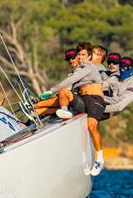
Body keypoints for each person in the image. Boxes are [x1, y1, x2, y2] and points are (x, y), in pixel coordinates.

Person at [44, 42, 107, 176]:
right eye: (79, 55)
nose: (80, 57)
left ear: (89, 56)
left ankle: (99, 159)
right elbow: (68, 83)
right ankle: (64, 111)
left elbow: (72, 79)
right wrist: (53, 93)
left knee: (91, 126)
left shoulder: (89, 66)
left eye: (83, 55)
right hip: (83, 100)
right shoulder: (77, 69)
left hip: (95, 99)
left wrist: (51, 90)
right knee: (63, 92)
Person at [34, 48, 79, 116]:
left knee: (59, 99)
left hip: (77, 100)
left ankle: (35, 105)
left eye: (73, 58)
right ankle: (35, 111)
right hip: (70, 100)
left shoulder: (81, 69)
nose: (71, 61)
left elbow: (68, 83)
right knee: (57, 100)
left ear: (78, 57)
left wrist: (51, 91)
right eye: (68, 59)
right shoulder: (71, 72)